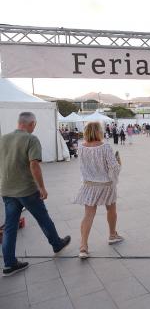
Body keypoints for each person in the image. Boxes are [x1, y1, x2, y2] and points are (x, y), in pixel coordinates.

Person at [0, 112, 71, 276]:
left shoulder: (3, 139)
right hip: (26, 189)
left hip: (7, 189)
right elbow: (34, 165)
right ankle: (56, 244)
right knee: (43, 218)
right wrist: (42, 187)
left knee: (10, 226)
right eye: (35, 125)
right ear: (31, 124)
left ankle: (9, 264)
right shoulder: (31, 139)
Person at [73, 122, 123, 259]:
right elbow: (114, 167)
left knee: (88, 215)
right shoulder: (105, 146)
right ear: (99, 132)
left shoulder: (81, 147)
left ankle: (83, 247)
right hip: (106, 184)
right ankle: (112, 234)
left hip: (89, 184)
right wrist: (119, 164)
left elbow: (82, 167)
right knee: (111, 209)